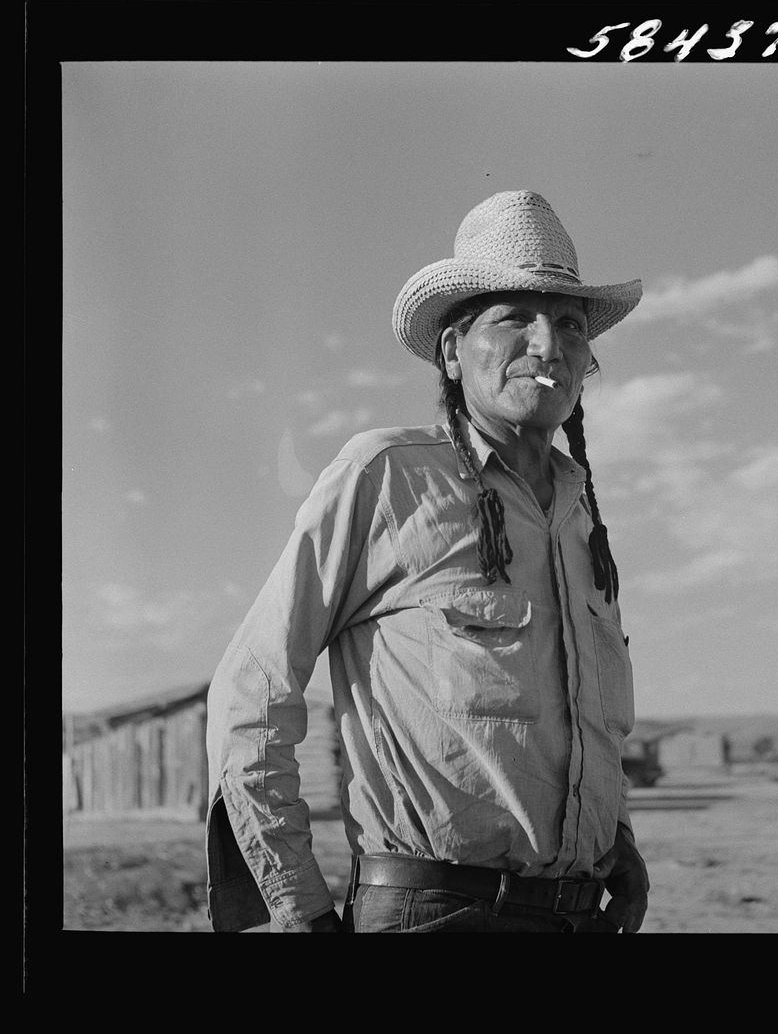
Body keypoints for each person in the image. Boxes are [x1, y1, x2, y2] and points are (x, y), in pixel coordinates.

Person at [205, 190, 649, 933]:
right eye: (515, 317)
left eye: (569, 323)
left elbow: (585, 718)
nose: (549, 343)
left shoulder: (581, 515)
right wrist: (297, 906)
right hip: (430, 917)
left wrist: (619, 845)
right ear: (451, 349)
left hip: (576, 919)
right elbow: (251, 690)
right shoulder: (386, 477)